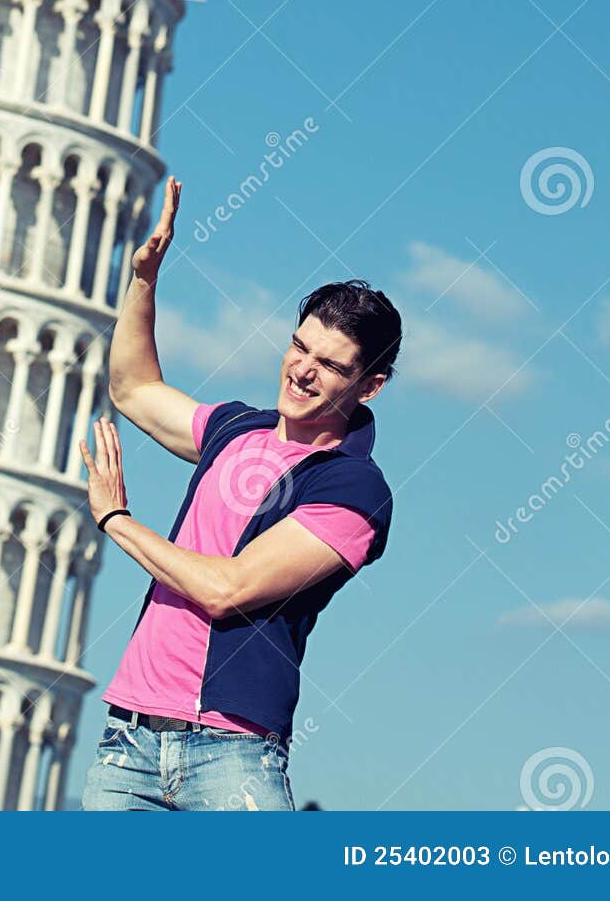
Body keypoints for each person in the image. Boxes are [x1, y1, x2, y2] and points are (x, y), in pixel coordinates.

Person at [80, 176, 399, 813]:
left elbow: (228, 590)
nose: (303, 370)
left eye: (331, 366)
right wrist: (144, 281)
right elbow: (134, 388)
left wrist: (117, 519)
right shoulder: (234, 427)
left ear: (371, 385)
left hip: (230, 754)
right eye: (300, 346)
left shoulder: (352, 488)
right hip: (129, 740)